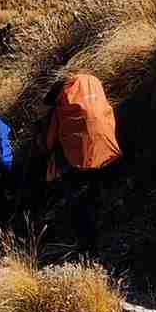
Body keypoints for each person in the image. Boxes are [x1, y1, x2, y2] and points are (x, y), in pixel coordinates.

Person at [36, 75, 122, 254]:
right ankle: (105, 240)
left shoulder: (60, 110)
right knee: (96, 200)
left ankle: (87, 248)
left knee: (80, 205)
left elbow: (47, 145)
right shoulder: (101, 104)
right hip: (108, 159)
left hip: (76, 164)